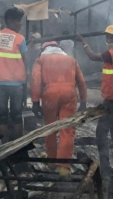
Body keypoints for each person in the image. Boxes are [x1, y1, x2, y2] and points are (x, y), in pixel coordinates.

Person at [77, 25, 113, 178]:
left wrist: (83, 42)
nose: (108, 40)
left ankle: (105, 167)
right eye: (107, 37)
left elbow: (92, 56)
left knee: (101, 132)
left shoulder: (112, 53)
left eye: (112, 37)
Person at [30, 41, 87, 175]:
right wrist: (83, 101)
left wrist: (35, 101)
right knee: (67, 129)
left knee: (50, 127)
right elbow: (81, 82)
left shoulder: (41, 60)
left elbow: (35, 81)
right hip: (69, 94)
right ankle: (63, 166)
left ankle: (51, 160)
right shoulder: (71, 60)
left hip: (50, 94)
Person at [0, 8, 28, 143]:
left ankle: (3, 145)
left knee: (2, 117)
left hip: (1, 84)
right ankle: (17, 145)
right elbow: (25, 60)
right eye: (18, 21)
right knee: (17, 115)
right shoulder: (19, 38)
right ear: (10, 21)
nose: (20, 24)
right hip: (16, 84)